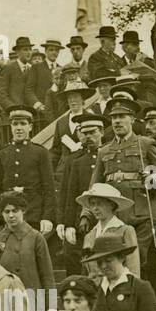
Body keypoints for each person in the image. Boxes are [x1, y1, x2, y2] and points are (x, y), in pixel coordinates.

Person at [90, 97, 156, 295]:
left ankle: (148, 302)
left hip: (142, 214)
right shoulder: (104, 151)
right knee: (117, 261)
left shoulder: (146, 144)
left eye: (122, 117)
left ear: (132, 120)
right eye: (114, 118)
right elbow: (94, 186)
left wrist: (151, 180)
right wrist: (86, 214)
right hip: (115, 217)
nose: (117, 121)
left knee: (140, 259)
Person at [0, 104, 56, 236]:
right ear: (11, 127)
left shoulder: (40, 153)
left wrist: (47, 217)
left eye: (23, 124)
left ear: (30, 127)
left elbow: (49, 187)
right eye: (15, 124)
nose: (18, 128)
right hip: (8, 215)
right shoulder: (2, 154)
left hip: (33, 214)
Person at [59, 112, 105, 276]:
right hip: (81, 220)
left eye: (93, 132)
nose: (89, 137)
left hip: (106, 217)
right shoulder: (76, 161)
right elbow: (69, 194)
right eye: (85, 133)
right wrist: (68, 224)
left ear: (102, 132)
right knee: (72, 255)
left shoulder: (109, 155)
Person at [78, 182, 141, 278]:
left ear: (111, 205)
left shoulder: (125, 231)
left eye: (99, 203)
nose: (95, 208)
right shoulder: (89, 236)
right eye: (92, 204)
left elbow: (134, 272)